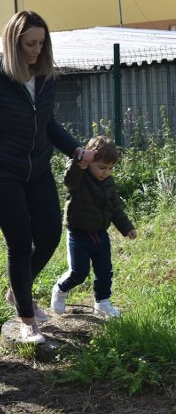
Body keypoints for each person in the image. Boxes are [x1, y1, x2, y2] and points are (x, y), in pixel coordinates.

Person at [0, 11, 94, 344]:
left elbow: (47, 124)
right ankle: (26, 320)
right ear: (13, 42)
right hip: (1, 174)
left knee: (49, 235)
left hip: (36, 170)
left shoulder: (45, 76)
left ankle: (16, 291)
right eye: (29, 44)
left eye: (41, 43)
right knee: (20, 242)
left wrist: (75, 151)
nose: (36, 51)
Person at [51, 136, 137, 318]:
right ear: (89, 161)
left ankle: (102, 303)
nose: (106, 172)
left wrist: (126, 227)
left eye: (110, 168)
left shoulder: (109, 183)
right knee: (78, 272)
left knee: (105, 271)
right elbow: (69, 180)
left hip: (100, 234)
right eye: (102, 167)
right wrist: (77, 164)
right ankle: (60, 289)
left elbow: (115, 208)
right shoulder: (79, 178)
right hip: (78, 234)